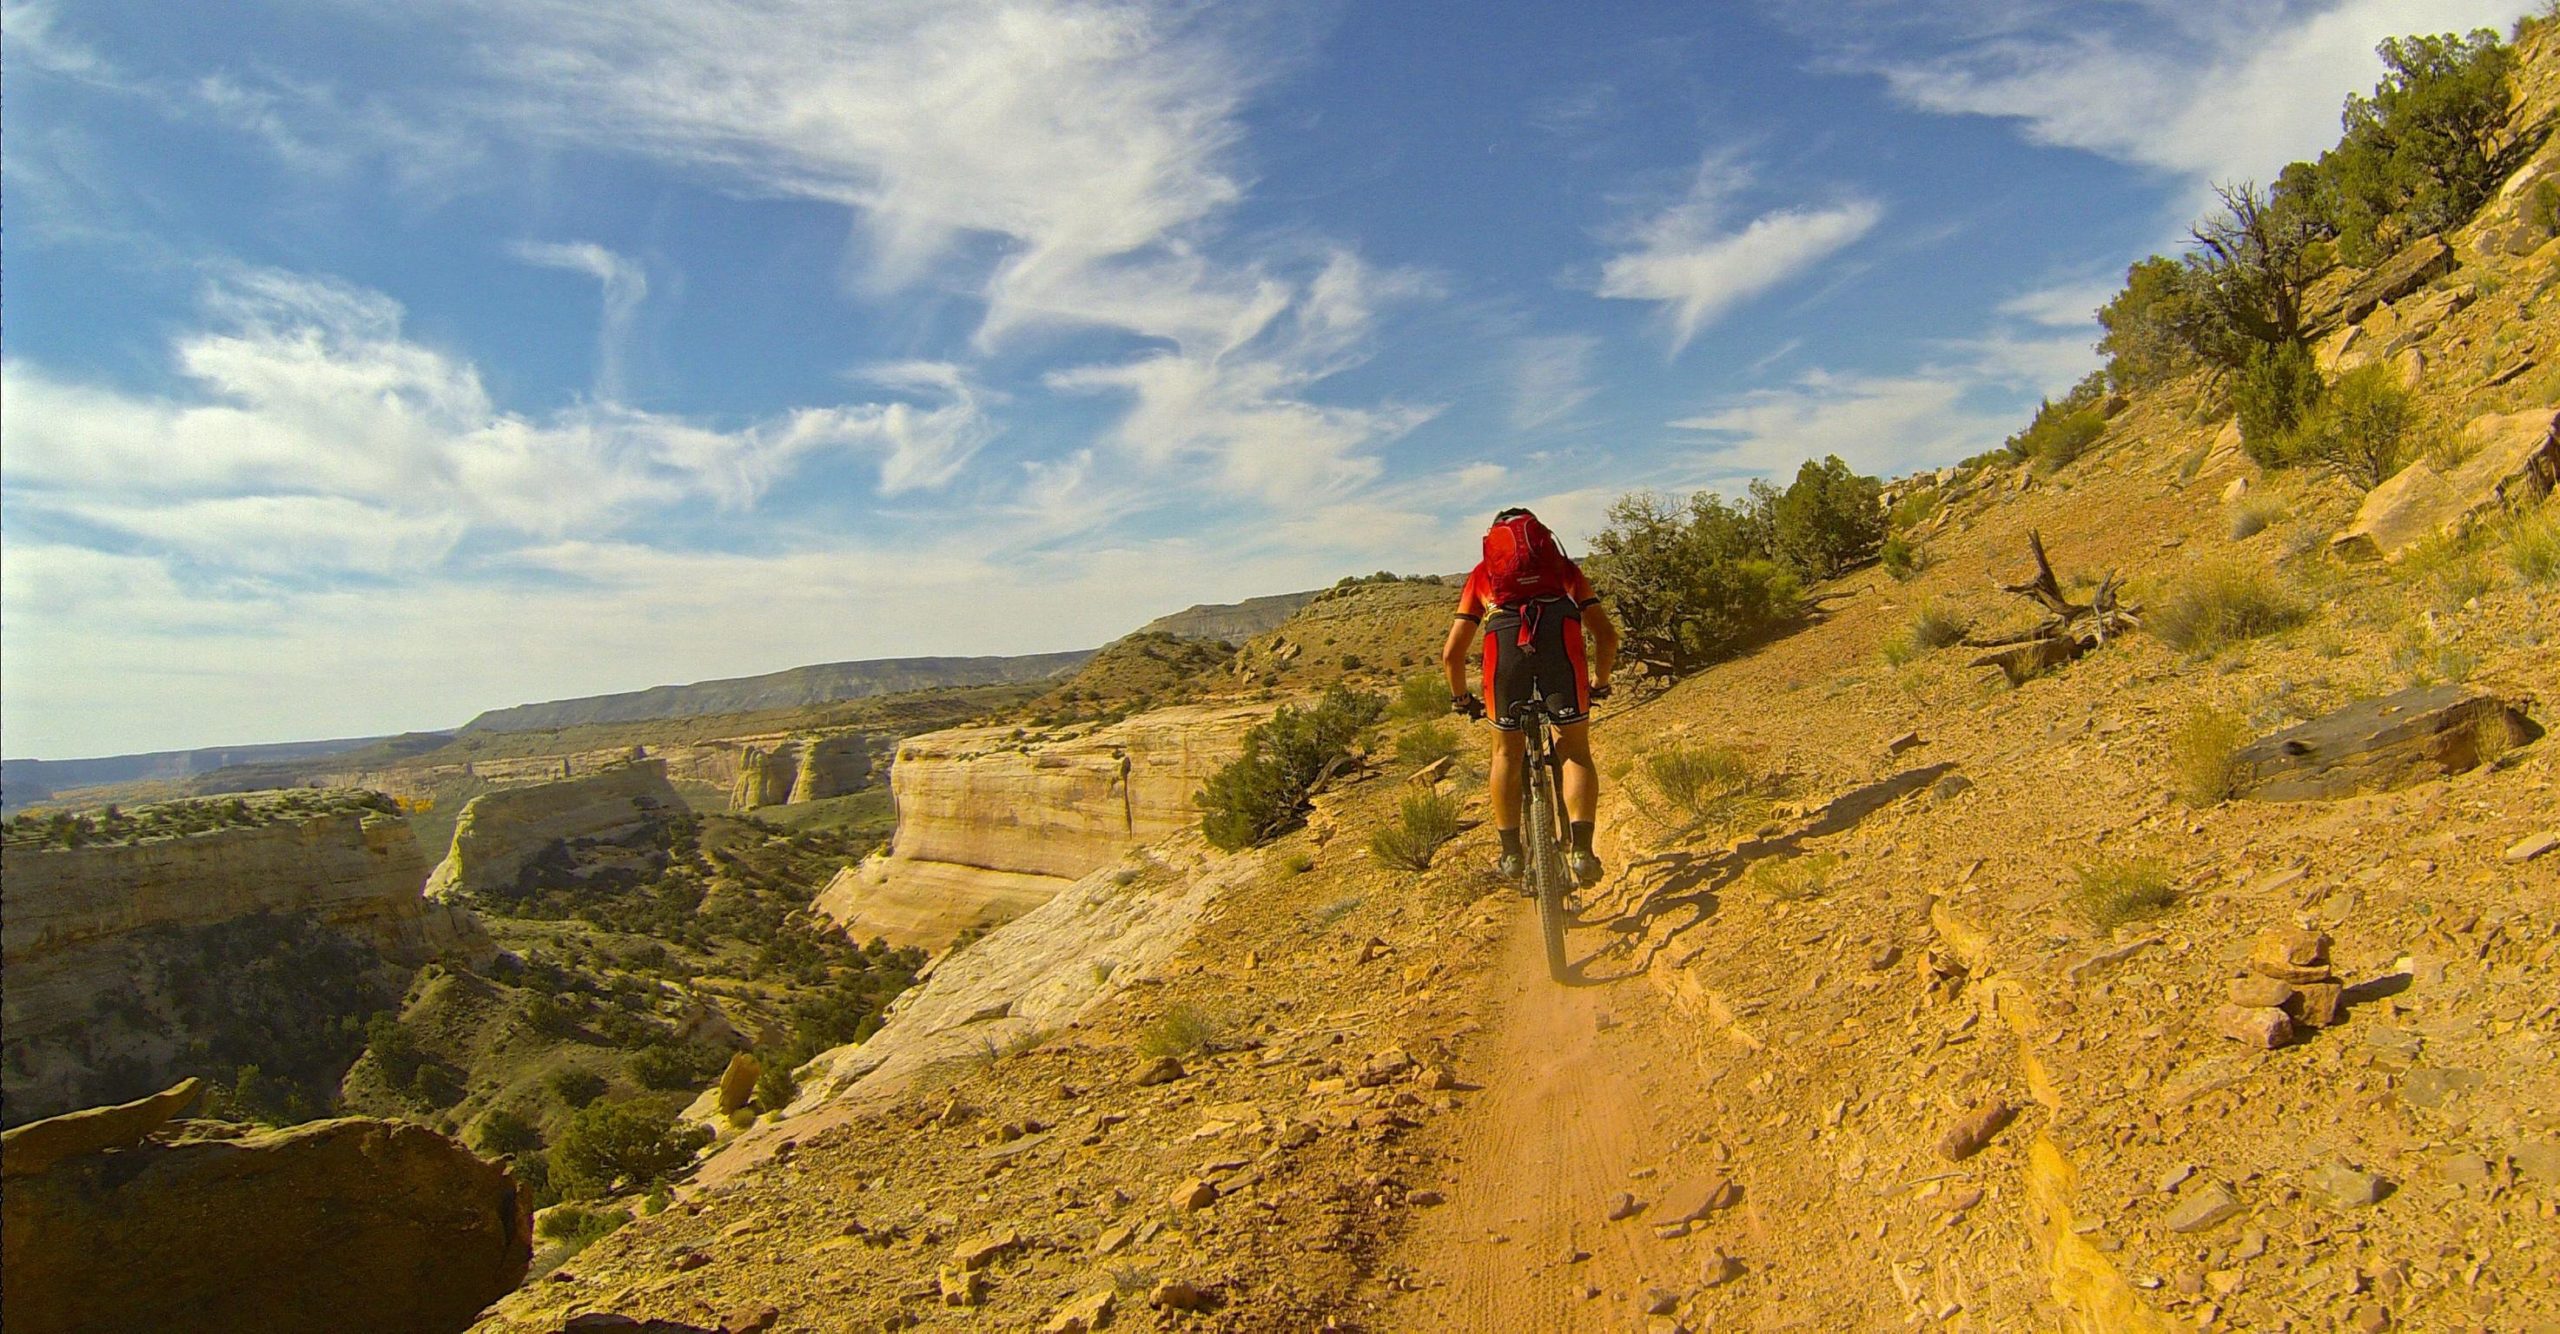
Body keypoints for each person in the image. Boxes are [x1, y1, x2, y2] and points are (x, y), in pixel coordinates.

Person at [1440, 507, 1620, 887]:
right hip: (1561, 644)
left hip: (1504, 648)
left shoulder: (1482, 574)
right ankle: (1583, 852)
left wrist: (1461, 699)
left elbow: (1452, 654)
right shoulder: (1563, 569)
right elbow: (1607, 635)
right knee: (1573, 748)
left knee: (1506, 752)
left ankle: (1510, 855)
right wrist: (1600, 682)